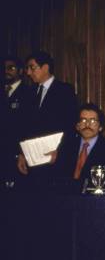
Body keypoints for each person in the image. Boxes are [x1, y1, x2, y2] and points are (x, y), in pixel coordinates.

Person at [16, 51, 78, 183]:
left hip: (55, 160)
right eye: (27, 68)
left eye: (32, 68)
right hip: (31, 160)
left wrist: (60, 151)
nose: (28, 73)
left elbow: (70, 124)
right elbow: (23, 126)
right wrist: (21, 154)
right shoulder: (28, 93)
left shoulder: (64, 90)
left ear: (45, 67)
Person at [55, 103, 105, 186]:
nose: (87, 125)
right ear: (77, 126)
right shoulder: (66, 146)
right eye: (83, 120)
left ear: (100, 127)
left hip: (96, 197)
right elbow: (58, 176)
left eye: (92, 121)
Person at [3, 56, 32, 183]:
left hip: (17, 152)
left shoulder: (28, 93)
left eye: (11, 68)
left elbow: (28, 125)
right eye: (4, 68)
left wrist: (22, 152)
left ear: (20, 71)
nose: (6, 71)